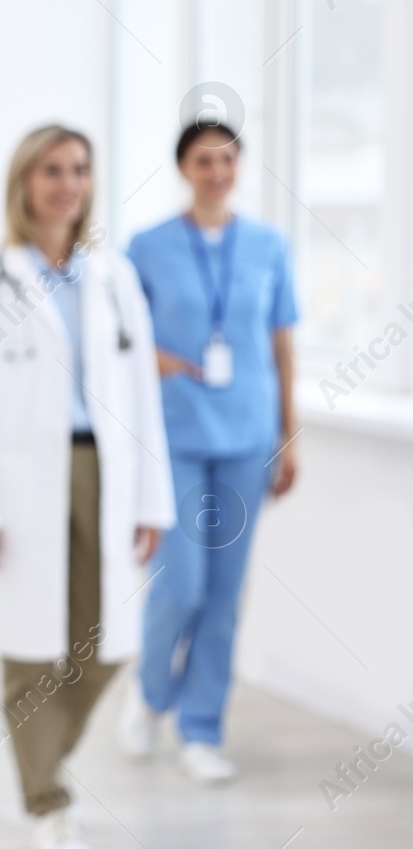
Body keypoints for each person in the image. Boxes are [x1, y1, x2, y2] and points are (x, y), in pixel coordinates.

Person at [0, 125, 174, 849]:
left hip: (106, 473)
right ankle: (47, 797)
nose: (67, 183)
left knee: (104, 644)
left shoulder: (113, 280)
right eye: (51, 169)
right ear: (24, 182)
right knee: (28, 650)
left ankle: (46, 755)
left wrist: (153, 500)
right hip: (23, 483)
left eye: (79, 168)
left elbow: (142, 395)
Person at [118, 121, 299, 782]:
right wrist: (155, 357)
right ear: (183, 168)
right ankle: (150, 690)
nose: (216, 170)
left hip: (248, 438)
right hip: (177, 439)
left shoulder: (268, 246)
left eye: (227, 159)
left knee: (225, 593)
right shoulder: (148, 247)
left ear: (239, 166)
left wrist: (289, 434)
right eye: (203, 159)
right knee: (182, 584)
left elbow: (282, 345)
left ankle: (201, 727)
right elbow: (120, 338)